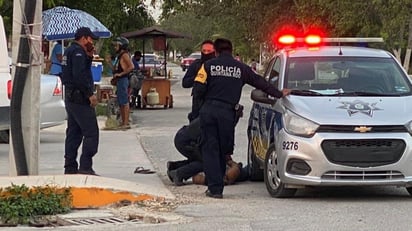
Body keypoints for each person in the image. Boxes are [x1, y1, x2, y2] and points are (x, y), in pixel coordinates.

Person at [193, 38, 291, 198]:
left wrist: (202, 107)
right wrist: (279, 93)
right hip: (227, 113)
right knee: (223, 150)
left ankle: (215, 189)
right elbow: (259, 82)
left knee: (210, 149)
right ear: (231, 51)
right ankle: (218, 184)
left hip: (209, 110)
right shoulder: (241, 68)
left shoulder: (208, 66)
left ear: (216, 52)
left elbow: (197, 90)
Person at [60, 27, 100, 175]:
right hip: (80, 98)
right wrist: (90, 94)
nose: (91, 42)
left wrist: (89, 56)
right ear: (84, 38)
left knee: (74, 133)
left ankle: (70, 167)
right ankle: (85, 166)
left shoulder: (70, 51)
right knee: (91, 133)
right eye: (90, 39)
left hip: (71, 98)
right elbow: (80, 76)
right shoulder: (77, 52)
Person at [182, 39, 215, 121]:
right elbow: (185, 83)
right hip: (198, 105)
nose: (206, 53)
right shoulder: (196, 65)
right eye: (204, 51)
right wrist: (199, 78)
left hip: (214, 105)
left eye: (209, 51)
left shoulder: (218, 67)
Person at [111, 37, 135, 129]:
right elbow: (115, 69)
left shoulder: (125, 55)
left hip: (123, 80)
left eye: (117, 45)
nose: (115, 47)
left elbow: (131, 67)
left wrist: (121, 74)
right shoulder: (119, 56)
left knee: (124, 102)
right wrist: (109, 62)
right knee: (121, 101)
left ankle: (125, 122)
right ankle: (123, 121)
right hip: (120, 80)